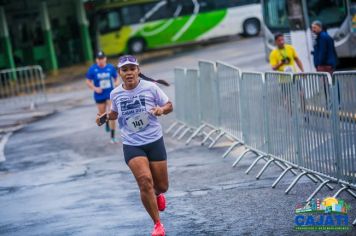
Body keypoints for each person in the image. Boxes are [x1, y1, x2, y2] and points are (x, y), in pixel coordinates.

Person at [96, 55, 173, 236]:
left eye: (132, 69)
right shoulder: (115, 93)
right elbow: (115, 113)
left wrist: (161, 110)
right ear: (119, 73)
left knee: (161, 186)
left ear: (138, 70)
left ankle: (157, 194)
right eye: (125, 70)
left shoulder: (150, 87)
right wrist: (105, 117)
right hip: (132, 144)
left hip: (154, 140)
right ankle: (157, 225)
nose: (129, 73)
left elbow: (169, 105)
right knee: (144, 181)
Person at [86, 51, 119, 143]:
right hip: (99, 95)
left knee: (112, 113)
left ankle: (112, 136)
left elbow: (116, 78)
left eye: (102, 58)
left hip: (109, 94)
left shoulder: (110, 67)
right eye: (99, 59)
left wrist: (116, 84)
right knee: (102, 114)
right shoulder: (92, 69)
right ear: (96, 60)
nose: (101, 60)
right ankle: (106, 123)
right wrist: (95, 88)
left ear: (105, 58)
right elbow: (88, 81)